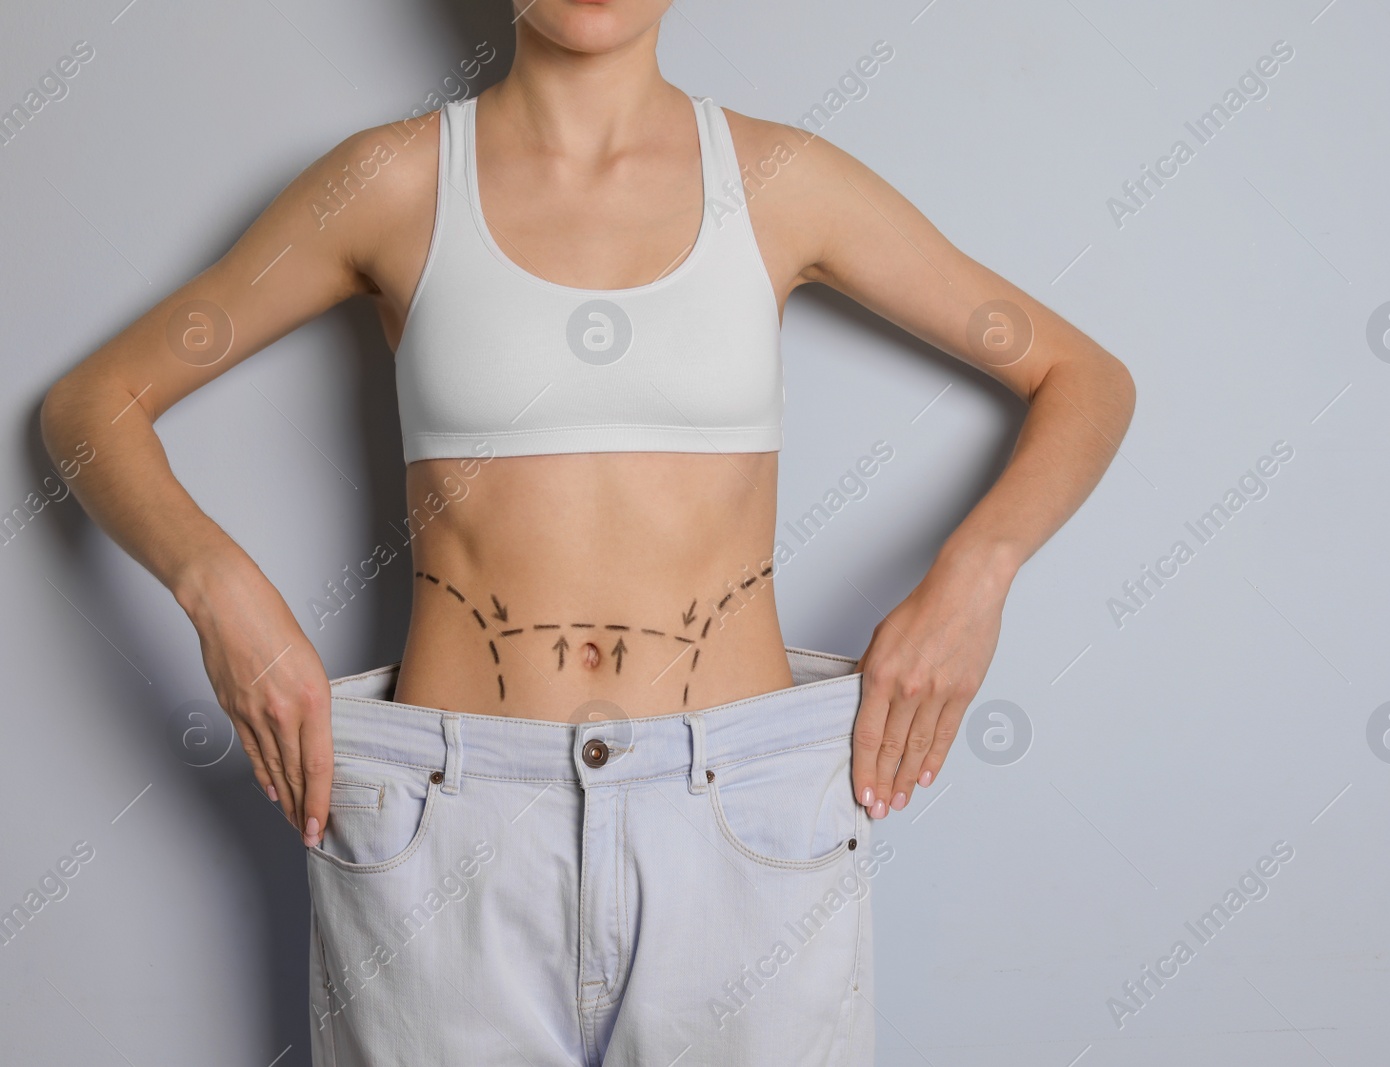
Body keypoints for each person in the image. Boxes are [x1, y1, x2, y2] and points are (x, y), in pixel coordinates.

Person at [40, 1, 1134, 1062]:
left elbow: (1080, 376)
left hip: (741, 819)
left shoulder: (781, 180)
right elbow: (97, 403)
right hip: (447, 822)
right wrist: (220, 590)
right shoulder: (393, 180)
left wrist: (973, 577)